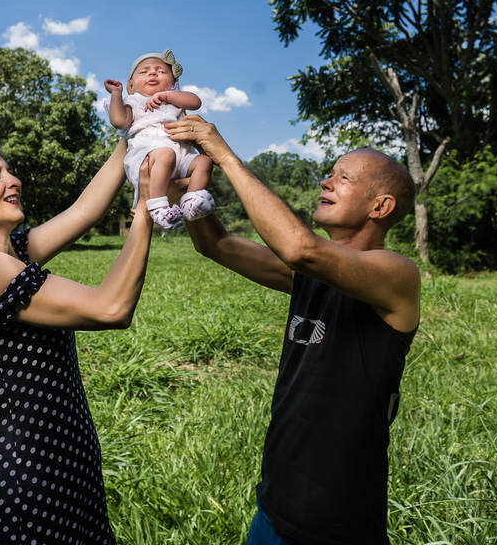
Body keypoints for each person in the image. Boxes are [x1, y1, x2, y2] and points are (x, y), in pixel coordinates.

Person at [166, 115, 421, 545]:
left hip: (335, 526)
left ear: (380, 207)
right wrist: (185, 186)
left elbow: (300, 248)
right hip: (273, 507)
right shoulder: (311, 274)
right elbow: (217, 244)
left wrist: (224, 155)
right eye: (330, 173)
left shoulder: (397, 275)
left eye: (343, 177)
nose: (326, 181)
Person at [0, 137, 153, 545]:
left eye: (9, 169)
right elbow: (111, 307)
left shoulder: (8, 255)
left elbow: (84, 212)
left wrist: (133, 135)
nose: (13, 180)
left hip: (62, 474)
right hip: (27, 493)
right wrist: (146, 209)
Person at [103, 48, 214, 230]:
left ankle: (191, 203)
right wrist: (116, 94)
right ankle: (157, 206)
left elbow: (196, 102)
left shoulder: (175, 100)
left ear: (173, 82)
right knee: (166, 154)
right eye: (144, 72)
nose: (153, 73)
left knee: (204, 161)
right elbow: (119, 121)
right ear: (131, 86)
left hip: (181, 159)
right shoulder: (135, 101)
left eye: (161, 71)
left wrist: (168, 96)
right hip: (149, 158)